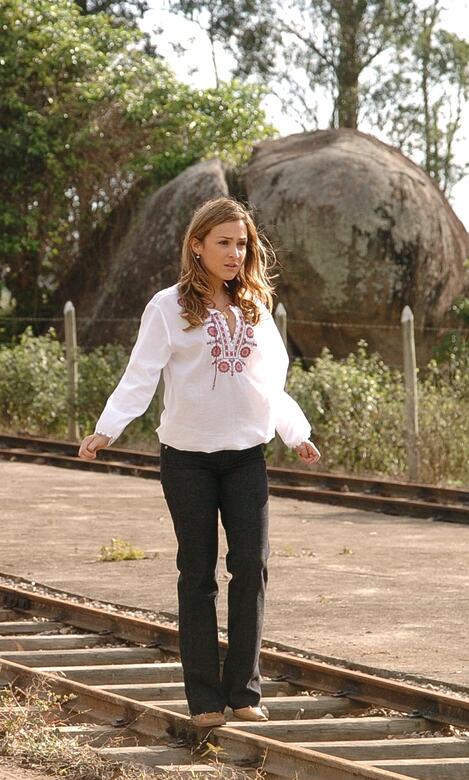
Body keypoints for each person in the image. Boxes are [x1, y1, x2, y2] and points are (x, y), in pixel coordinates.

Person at [78, 197, 321, 730]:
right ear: (197, 245)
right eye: (224, 243)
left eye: (242, 244)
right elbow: (141, 374)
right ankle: (205, 702)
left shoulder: (255, 306)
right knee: (197, 575)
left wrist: (296, 432)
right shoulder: (167, 307)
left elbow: (270, 383)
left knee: (251, 568)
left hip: (245, 460)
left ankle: (244, 693)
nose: (236, 253)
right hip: (187, 461)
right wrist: (107, 428)